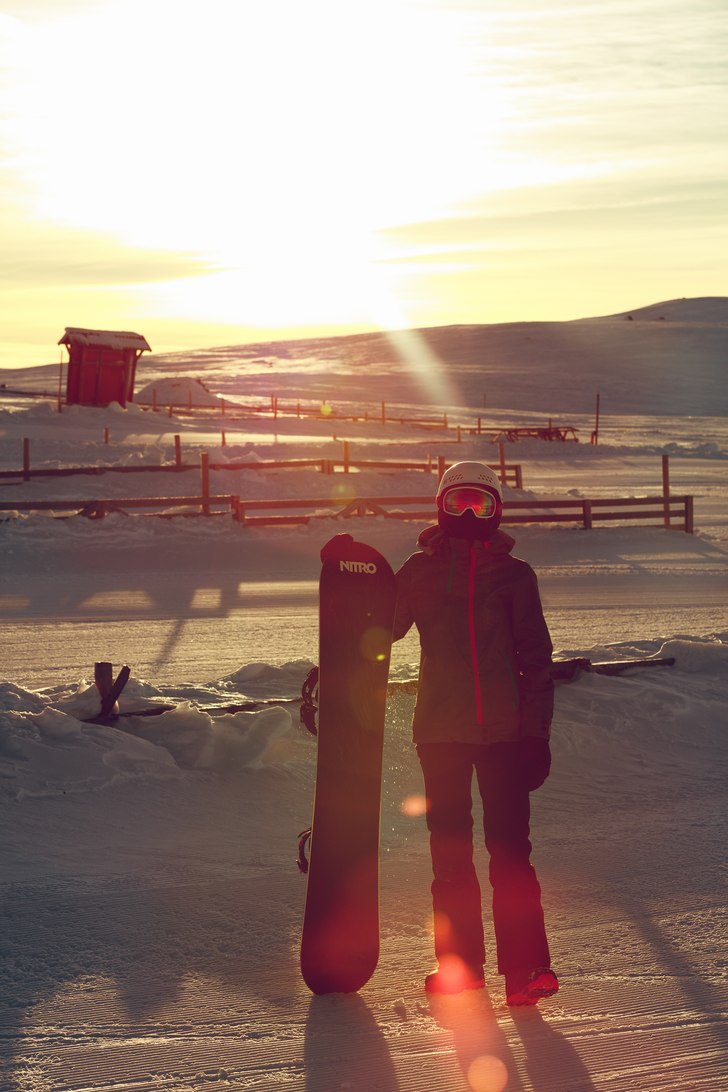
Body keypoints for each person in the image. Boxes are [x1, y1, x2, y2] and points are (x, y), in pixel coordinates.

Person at [392, 460, 558, 1006]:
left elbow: (536, 658)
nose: (468, 513)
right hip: (440, 732)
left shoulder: (515, 576)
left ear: (496, 511)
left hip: (506, 736)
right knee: (451, 854)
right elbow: (380, 627)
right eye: (459, 502)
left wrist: (536, 735)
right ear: (441, 506)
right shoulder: (418, 571)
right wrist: (354, 573)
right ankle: (461, 967)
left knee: (511, 853)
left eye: (480, 504)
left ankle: (527, 968)